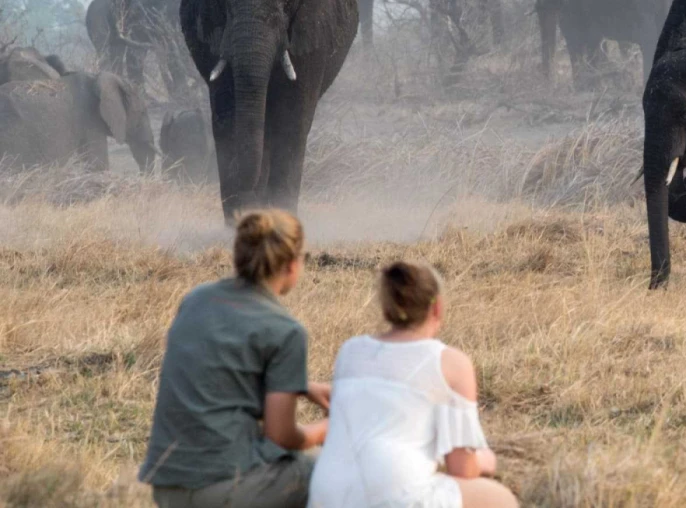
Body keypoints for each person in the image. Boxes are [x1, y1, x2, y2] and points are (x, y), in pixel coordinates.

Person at [140, 209, 331, 508]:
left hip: (167, 485)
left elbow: (220, 362)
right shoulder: (286, 330)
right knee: (327, 473)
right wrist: (323, 430)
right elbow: (281, 436)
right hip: (224, 487)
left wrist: (301, 385)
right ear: (293, 265)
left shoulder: (196, 299)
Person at [309, 262, 518, 508]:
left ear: (387, 308)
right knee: (502, 499)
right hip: (395, 495)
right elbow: (462, 469)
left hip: (327, 495)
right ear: (437, 307)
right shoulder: (452, 362)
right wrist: (485, 460)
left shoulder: (350, 351)